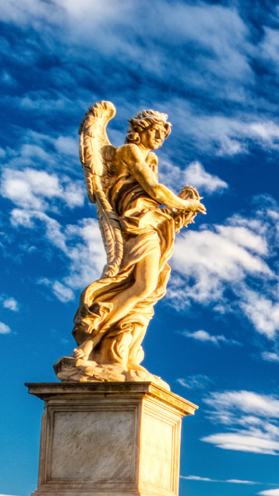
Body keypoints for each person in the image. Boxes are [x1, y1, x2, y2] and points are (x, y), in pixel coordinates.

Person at [72, 107, 205, 374]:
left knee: (144, 291)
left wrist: (175, 213)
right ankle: (90, 344)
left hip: (150, 224)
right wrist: (182, 203)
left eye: (163, 134)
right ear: (142, 128)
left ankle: (112, 349)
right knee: (143, 287)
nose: (160, 137)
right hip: (136, 225)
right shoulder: (128, 152)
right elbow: (153, 190)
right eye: (156, 131)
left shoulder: (149, 159)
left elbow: (152, 196)